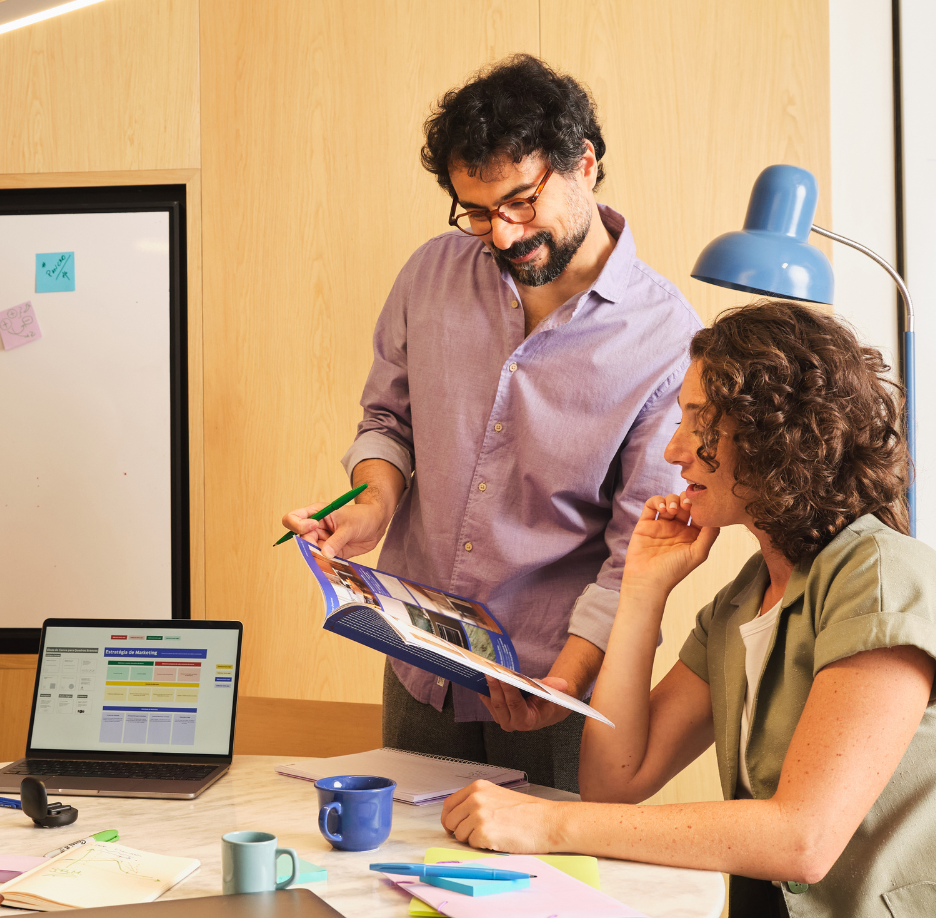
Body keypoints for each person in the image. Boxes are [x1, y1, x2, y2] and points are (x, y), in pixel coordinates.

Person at [441, 302, 936, 918]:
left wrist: (547, 825)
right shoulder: (743, 602)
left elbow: (802, 839)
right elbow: (617, 780)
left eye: (698, 421)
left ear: (775, 434)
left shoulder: (885, 577)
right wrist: (642, 589)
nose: (674, 450)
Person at [280, 54, 698, 790]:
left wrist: (563, 685)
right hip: (421, 671)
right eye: (476, 211)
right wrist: (372, 504)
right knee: (397, 885)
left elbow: (640, 550)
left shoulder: (665, 340)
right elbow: (388, 420)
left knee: (547, 898)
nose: (501, 234)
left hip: (554, 683)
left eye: (521, 203)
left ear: (585, 166)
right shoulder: (430, 275)